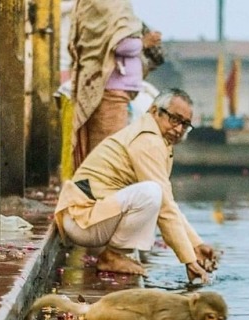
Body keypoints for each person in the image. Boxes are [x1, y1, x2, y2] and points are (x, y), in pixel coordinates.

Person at [54, 88, 218, 284]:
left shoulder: (157, 139)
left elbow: (169, 205)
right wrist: (189, 260)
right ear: (155, 111)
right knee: (151, 193)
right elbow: (165, 206)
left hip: (90, 219)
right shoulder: (148, 140)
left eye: (185, 125)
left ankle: (115, 254)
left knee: (155, 194)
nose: (178, 129)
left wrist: (196, 244)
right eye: (174, 119)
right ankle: (112, 256)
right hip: (82, 221)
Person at [68, 0, 162, 169]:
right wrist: (144, 42)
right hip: (111, 88)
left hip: (113, 88)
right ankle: (101, 192)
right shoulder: (108, 4)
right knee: (108, 150)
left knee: (108, 147)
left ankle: (101, 190)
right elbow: (119, 44)